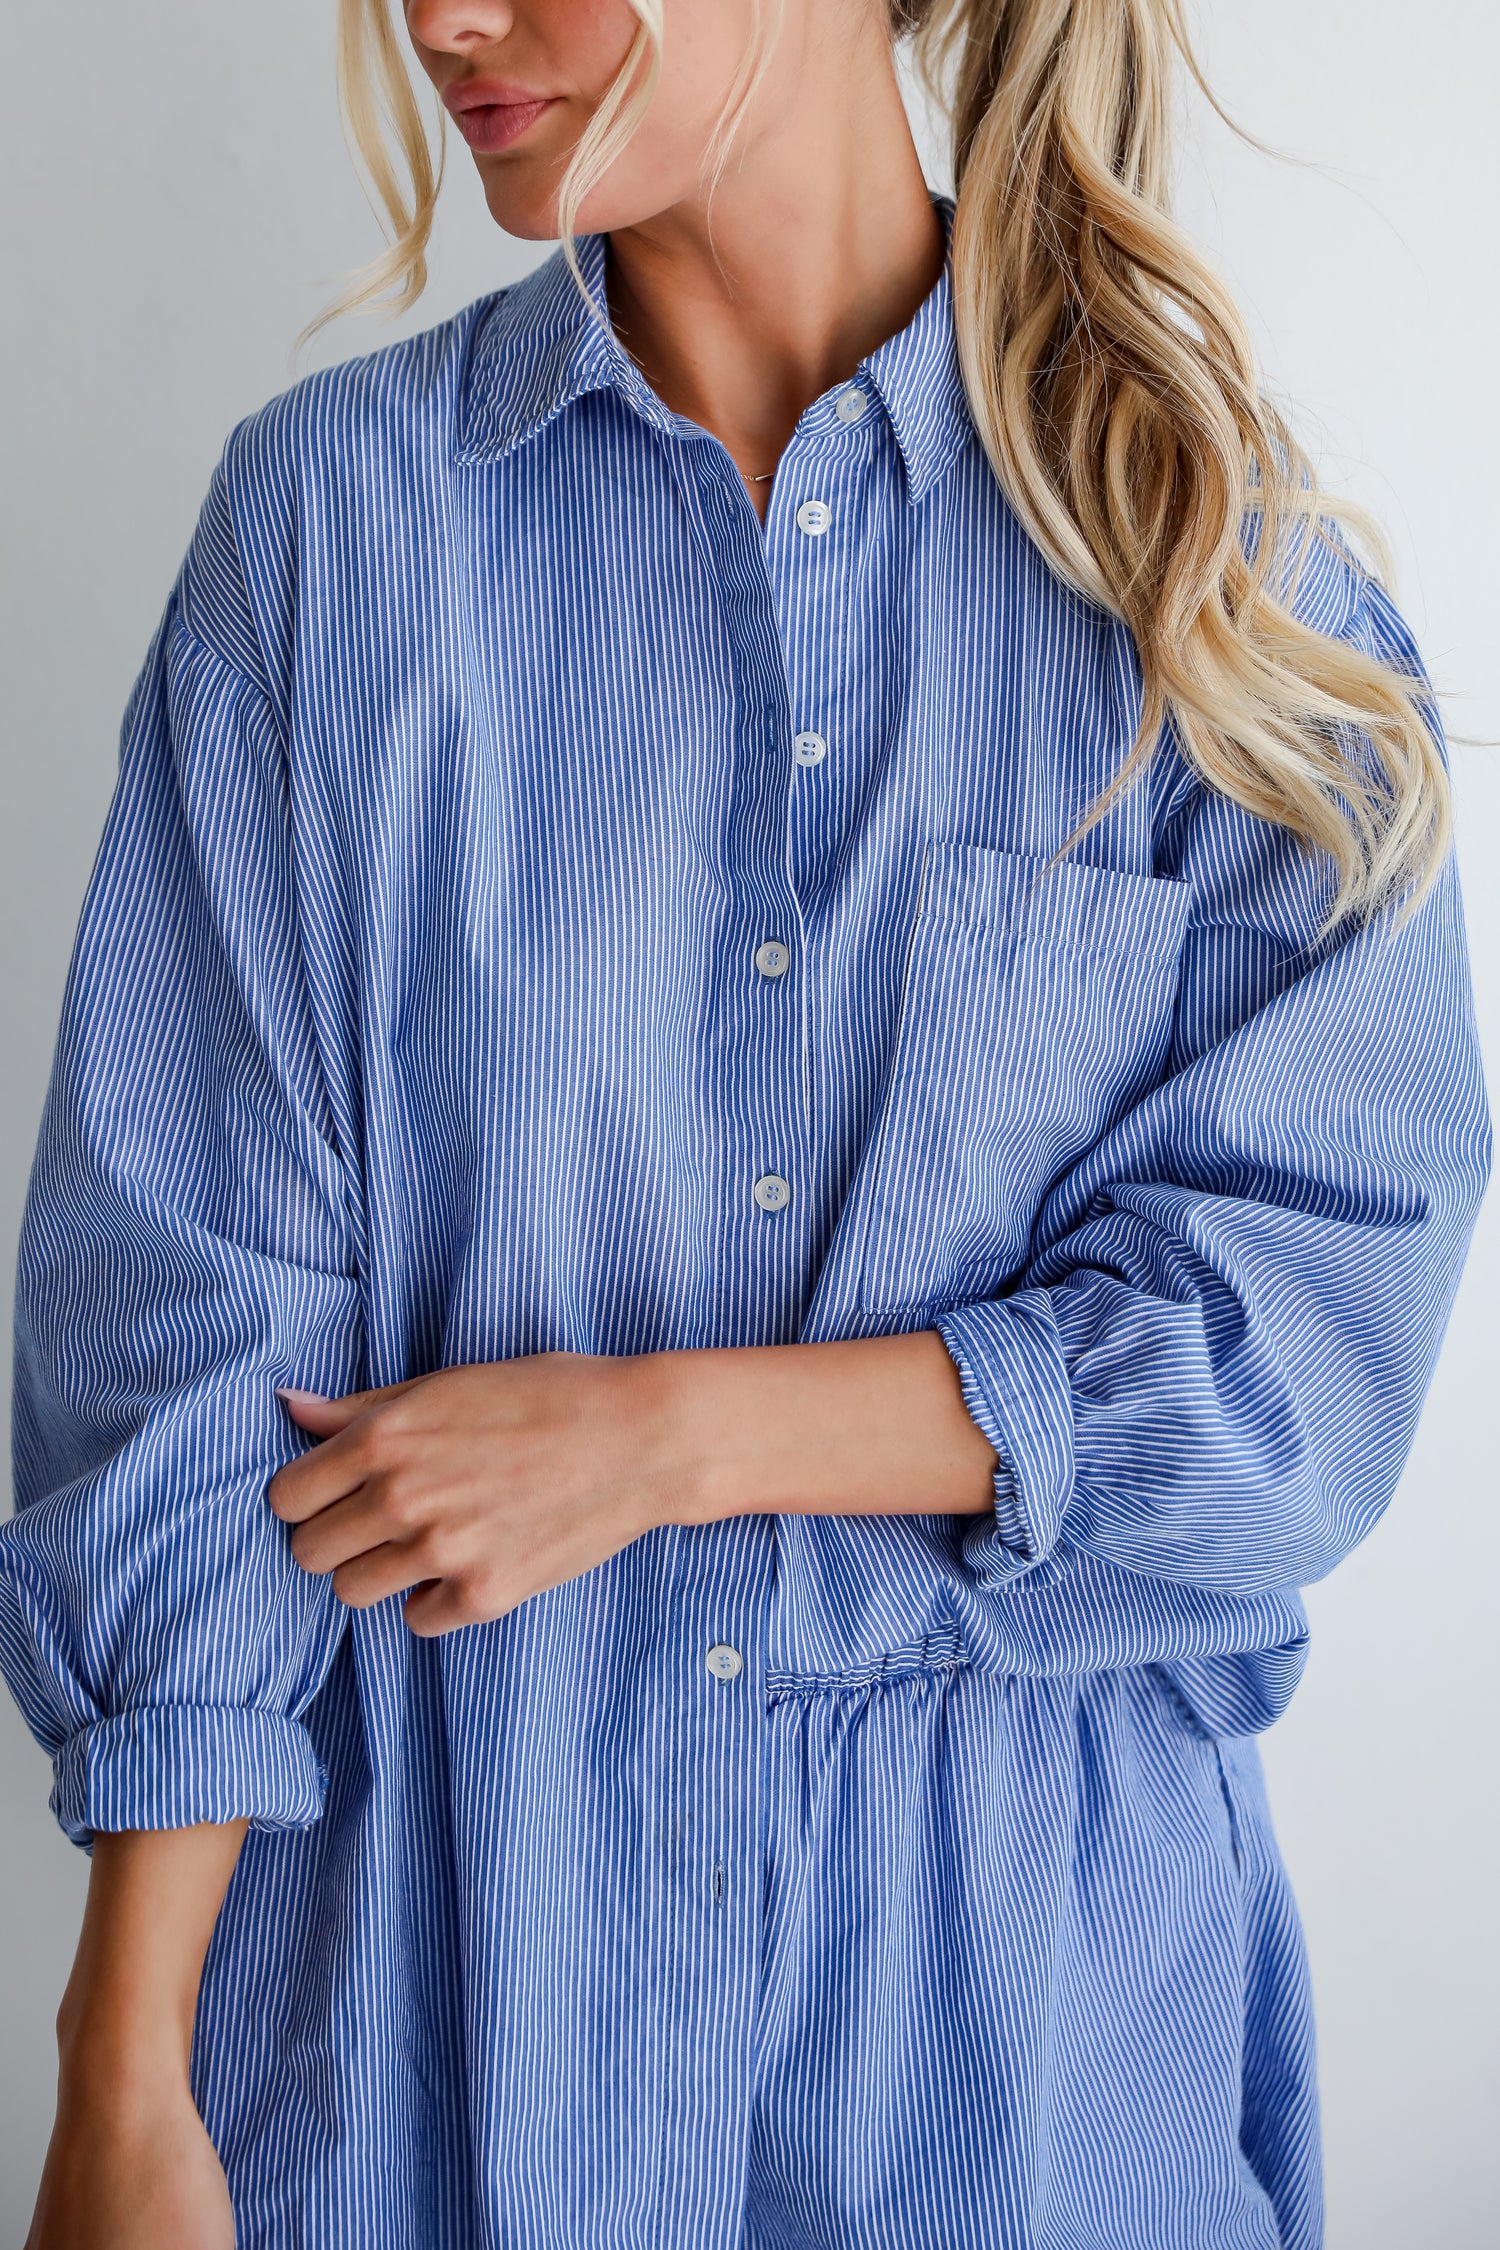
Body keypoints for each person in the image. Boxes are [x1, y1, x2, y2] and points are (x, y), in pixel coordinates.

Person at [3, 0, 1489, 2243]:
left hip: (1019, 2090)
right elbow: (184, 1347)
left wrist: (671, 1438)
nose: (440, 20)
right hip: (443, 2076)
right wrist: (118, 2086)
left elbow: (1293, 1375)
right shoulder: (327, 544)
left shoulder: (1220, 587)